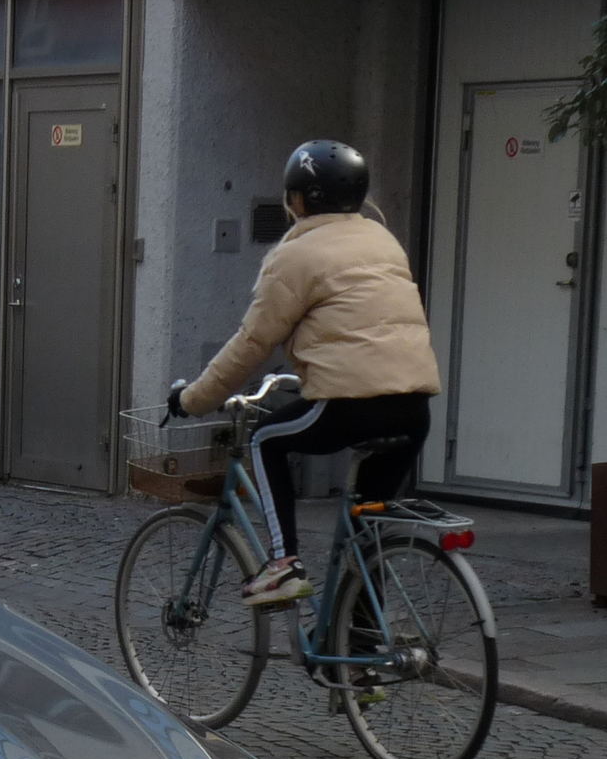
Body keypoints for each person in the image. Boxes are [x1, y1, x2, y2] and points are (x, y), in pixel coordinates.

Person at [178, 141, 442, 608]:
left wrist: (191, 400)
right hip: (413, 407)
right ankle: (363, 664)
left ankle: (283, 565)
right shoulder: (383, 240)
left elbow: (252, 344)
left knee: (265, 439)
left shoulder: (296, 255)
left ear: (298, 199)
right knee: (367, 537)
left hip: (351, 406)